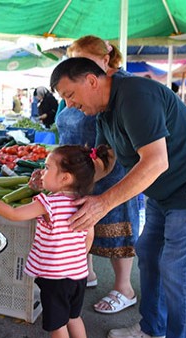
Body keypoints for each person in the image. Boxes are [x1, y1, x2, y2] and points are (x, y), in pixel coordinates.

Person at [51, 58, 186, 338]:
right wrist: (62, 183)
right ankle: (154, 328)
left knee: (179, 270)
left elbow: (156, 161)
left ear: (90, 80)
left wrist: (103, 202)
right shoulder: (104, 113)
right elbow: (103, 161)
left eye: (69, 95)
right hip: (161, 192)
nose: (70, 105)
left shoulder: (136, 95)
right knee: (149, 255)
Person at [0, 144, 107, 338]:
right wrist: (75, 261)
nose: (42, 172)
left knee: (58, 326)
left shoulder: (48, 204)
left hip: (55, 278)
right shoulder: (85, 204)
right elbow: (88, 237)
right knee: (73, 317)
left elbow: (14, 214)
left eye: (46, 167)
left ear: (65, 178)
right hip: (78, 275)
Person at [56, 35, 139, 315]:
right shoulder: (70, 89)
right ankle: (85, 272)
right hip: (80, 166)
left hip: (111, 166)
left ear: (106, 59)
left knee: (117, 225)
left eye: (85, 62)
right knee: (80, 221)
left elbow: (116, 148)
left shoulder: (122, 88)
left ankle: (124, 288)